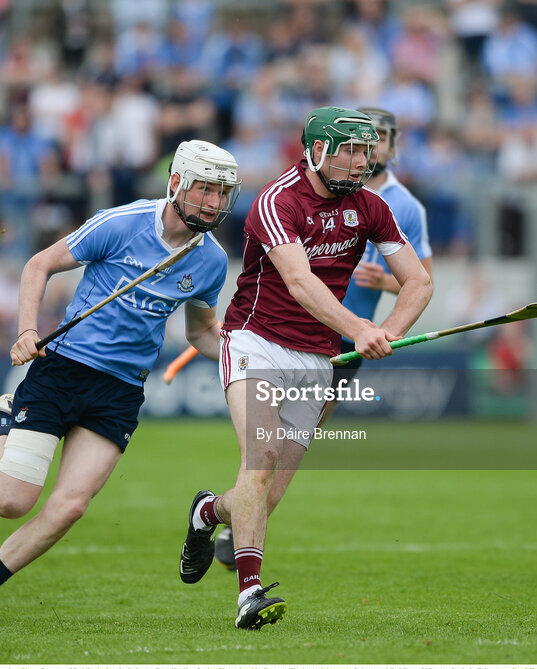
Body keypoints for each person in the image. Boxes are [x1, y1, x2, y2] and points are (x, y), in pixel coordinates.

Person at [0, 139, 240, 625]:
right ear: (177, 182)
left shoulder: (209, 262)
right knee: (10, 503)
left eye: (223, 193)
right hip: (63, 371)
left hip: (120, 392)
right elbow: (38, 264)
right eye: (205, 189)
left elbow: (202, 333)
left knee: (71, 506)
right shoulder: (120, 223)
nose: (213, 202)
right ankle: (0, 420)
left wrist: (243, 351)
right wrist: (27, 331)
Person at [177, 107, 432, 629]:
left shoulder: (372, 207)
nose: (360, 162)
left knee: (265, 494)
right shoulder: (277, 200)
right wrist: (362, 326)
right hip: (257, 340)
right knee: (261, 459)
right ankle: (250, 593)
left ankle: (207, 512)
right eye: (348, 152)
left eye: (366, 152)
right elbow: (299, 281)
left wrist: (390, 333)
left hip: (318, 358)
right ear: (317, 150)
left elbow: (419, 282)